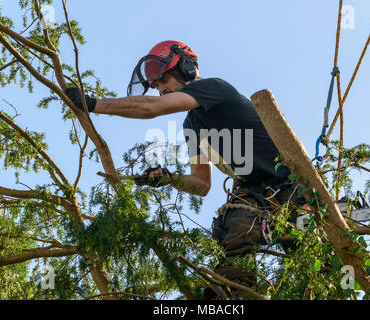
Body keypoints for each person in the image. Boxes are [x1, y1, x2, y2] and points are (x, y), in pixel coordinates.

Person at [64, 40, 305, 299]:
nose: (160, 90)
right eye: (156, 86)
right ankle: (234, 296)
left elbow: (150, 108)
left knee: (308, 246)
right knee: (235, 230)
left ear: (186, 69)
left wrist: (94, 104)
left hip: (290, 183)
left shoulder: (213, 88)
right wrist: (170, 178)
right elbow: (202, 184)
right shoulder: (192, 126)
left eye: (163, 80)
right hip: (256, 194)